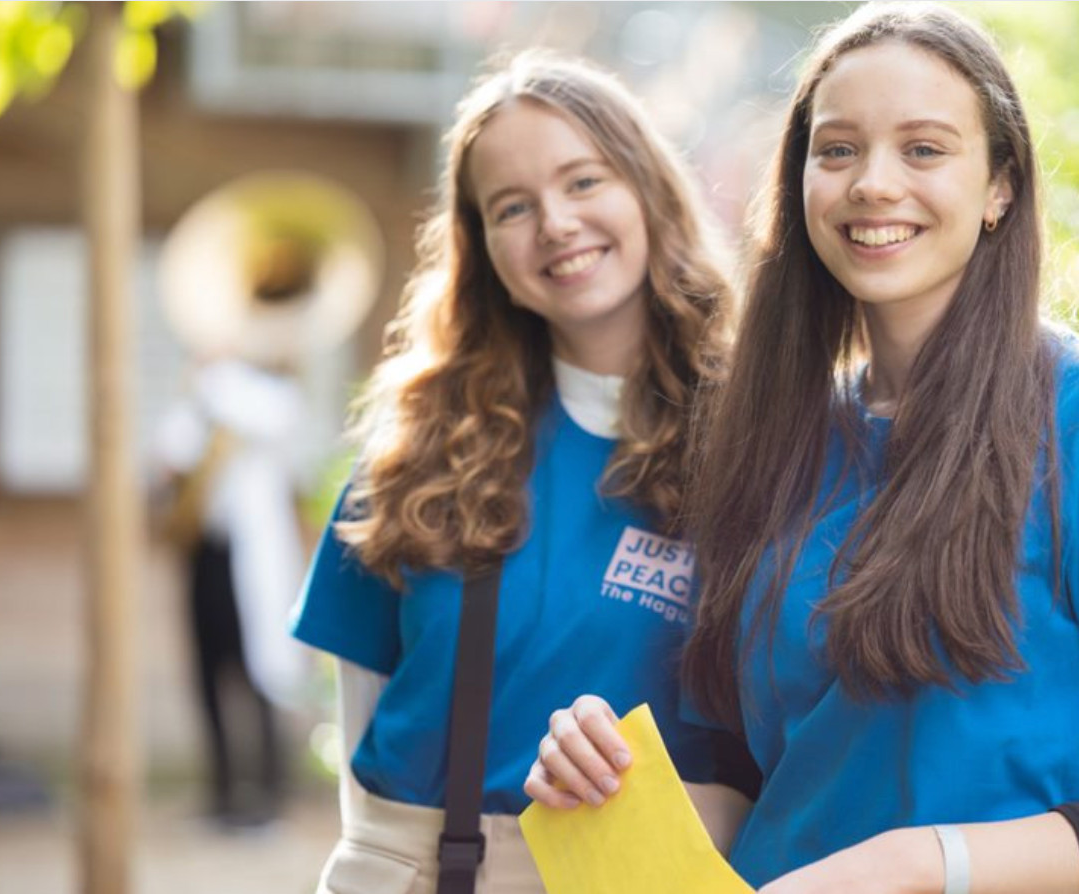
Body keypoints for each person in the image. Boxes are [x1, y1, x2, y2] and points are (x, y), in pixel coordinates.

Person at [526, 5, 1079, 894]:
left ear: (1001, 188)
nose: (872, 183)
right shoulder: (768, 442)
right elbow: (749, 785)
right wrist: (606, 787)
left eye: (923, 149)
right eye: (836, 151)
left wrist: (920, 863)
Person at [292, 51, 730, 893]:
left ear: (647, 188)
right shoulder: (412, 450)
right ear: (482, 246)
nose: (556, 224)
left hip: (654, 874)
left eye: (583, 181)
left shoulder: (765, 440)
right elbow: (360, 727)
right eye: (513, 207)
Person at [155, 357, 311, 830]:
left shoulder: (266, 395)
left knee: (258, 672)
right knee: (208, 671)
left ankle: (268, 792)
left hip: (253, 559)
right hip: (207, 553)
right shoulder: (202, 400)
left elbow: (274, 415)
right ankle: (221, 790)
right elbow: (169, 452)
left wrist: (217, 382)